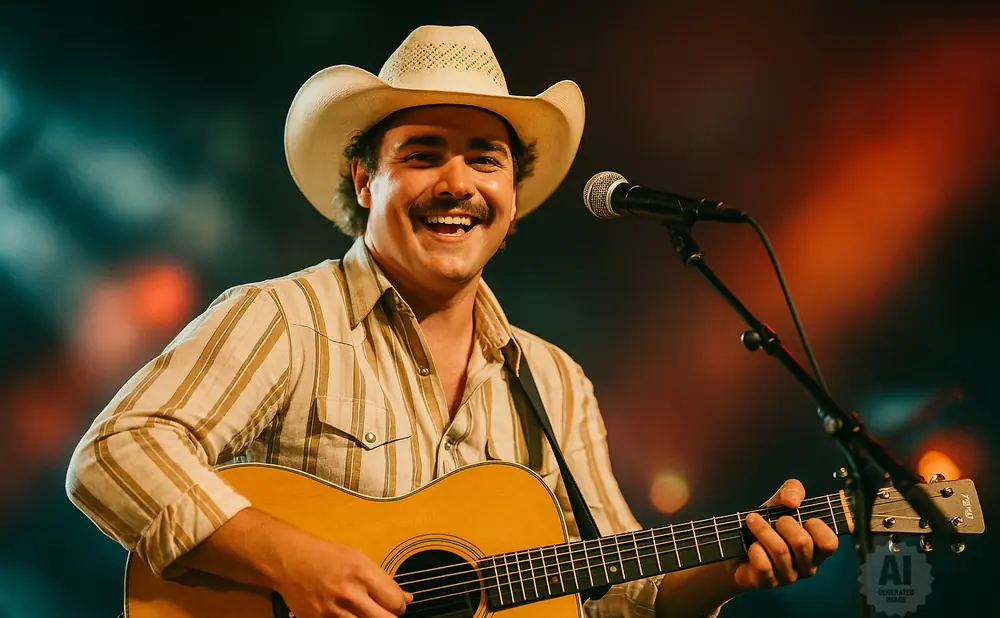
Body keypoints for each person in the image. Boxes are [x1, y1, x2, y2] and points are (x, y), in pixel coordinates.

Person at [66, 25, 838, 618]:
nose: (457, 183)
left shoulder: (555, 381)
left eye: (484, 158)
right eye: (424, 154)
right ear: (365, 181)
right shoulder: (285, 318)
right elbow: (114, 453)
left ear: (510, 201)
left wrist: (728, 568)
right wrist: (292, 561)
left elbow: (613, 594)